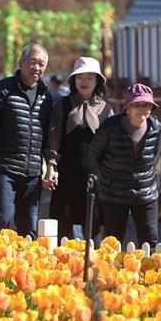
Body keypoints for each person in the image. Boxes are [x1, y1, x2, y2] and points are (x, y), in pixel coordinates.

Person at [44, 56, 114, 240]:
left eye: (89, 77)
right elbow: (53, 138)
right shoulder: (62, 105)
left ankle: (95, 268)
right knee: (63, 232)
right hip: (66, 176)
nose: (84, 82)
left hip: (95, 178)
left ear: (97, 81)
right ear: (73, 81)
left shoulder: (107, 110)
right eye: (80, 77)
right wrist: (51, 167)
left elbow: (111, 148)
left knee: (94, 233)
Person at [0, 43, 50, 239]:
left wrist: (51, 165)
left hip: (32, 173)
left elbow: (48, 135)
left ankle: (24, 268)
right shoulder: (3, 89)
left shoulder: (47, 96)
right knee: (1, 219)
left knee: (29, 228)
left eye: (41, 64)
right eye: (32, 62)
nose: (36, 68)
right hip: (5, 169)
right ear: (21, 62)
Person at [88, 83, 161, 245]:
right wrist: (107, 179)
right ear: (127, 108)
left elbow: (154, 155)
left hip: (146, 193)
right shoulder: (110, 127)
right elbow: (94, 155)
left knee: (151, 242)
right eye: (137, 105)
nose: (142, 109)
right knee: (112, 243)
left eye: (146, 105)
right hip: (115, 194)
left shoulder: (156, 128)